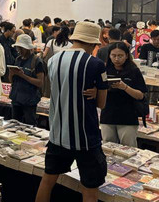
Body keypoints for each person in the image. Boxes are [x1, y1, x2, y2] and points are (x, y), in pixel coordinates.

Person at [36, 21, 108, 202]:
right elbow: (101, 103)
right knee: (89, 190)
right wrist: (96, 91)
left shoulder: (53, 60)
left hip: (58, 134)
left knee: (47, 180)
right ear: (92, 44)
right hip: (86, 136)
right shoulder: (96, 64)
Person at [100, 43, 147, 147]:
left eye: (120, 56)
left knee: (128, 148)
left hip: (128, 116)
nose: (117, 59)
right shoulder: (104, 70)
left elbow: (141, 95)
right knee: (108, 147)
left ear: (126, 55)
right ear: (109, 56)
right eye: (113, 55)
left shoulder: (134, 71)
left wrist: (125, 87)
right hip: (108, 115)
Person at [8, 34, 45, 125]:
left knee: (30, 125)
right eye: (18, 48)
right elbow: (11, 81)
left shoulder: (37, 61)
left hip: (29, 100)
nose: (19, 51)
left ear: (28, 48)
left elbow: (40, 83)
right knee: (14, 124)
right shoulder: (18, 59)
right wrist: (12, 74)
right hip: (16, 98)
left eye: (21, 48)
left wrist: (23, 75)